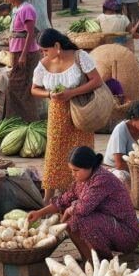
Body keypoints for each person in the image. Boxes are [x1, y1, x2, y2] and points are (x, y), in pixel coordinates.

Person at [28, 146, 139, 260]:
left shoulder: (102, 179)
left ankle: (102, 261)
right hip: (109, 226)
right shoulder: (82, 180)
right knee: (69, 220)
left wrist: (70, 209)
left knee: (78, 219)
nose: (73, 174)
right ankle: (88, 260)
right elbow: (62, 201)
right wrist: (39, 213)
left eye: (76, 170)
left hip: (127, 235)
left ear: (89, 166)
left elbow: (83, 208)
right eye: (72, 170)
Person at [32, 29, 103, 204]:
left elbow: (96, 80)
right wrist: (49, 94)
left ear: (57, 46)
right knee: (54, 154)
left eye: (45, 50)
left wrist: (71, 93)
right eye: (42, 51)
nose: (43, 53)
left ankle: (82, 194)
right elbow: (34, 89)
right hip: (57, 115)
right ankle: (48, 199)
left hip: (80, 112)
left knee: (80, 152)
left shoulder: (80, 56)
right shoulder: (43, 64)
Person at [6, 0, 40, 122]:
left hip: (25, 53)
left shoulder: (26, 9)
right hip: (17, 52)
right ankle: (18, 119)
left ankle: (30, 120)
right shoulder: (18, 9)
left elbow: (30, 33)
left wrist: (23, 55)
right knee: (16, 87)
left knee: (21, 87)